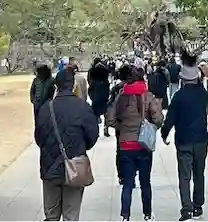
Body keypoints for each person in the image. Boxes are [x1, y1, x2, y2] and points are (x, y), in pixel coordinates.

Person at [34, 67, 99, 222]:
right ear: (73, 85)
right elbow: (92, 135)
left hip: (50, 167)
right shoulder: (83, 107)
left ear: (56, 86)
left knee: (51, 215)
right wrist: (80, 147)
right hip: (75, 163)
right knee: (71, 215)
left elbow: (39, 137)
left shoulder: (46, 108)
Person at [105, 65, 163, 222]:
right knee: (145, 183)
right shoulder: (148, 96)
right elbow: (158, 119)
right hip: (143, 145)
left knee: (128, 183)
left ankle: (125, 215)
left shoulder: (121, 96)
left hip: (126, 144)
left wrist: (122, 128)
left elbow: (110, 119)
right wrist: (151, 126)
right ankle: (147, 214)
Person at [160, 62, 208, 220]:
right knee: (199, 174)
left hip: (184, 140)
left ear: (182, 79)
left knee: (184, 175)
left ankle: (187, 208)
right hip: (201, 139)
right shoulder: (202, 94)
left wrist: (164, 133)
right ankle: (198, 206)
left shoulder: (178, 96)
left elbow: (170, 118)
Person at [88, 58, 113, 133]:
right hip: (104, 99)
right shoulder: (105, 81)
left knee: (95, 115)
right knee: (106, 114)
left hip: (96, 99)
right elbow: (108, 90)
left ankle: (97, 130)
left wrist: (93, 97)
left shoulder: (94, 81)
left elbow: (90, 90)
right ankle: (106, 129)